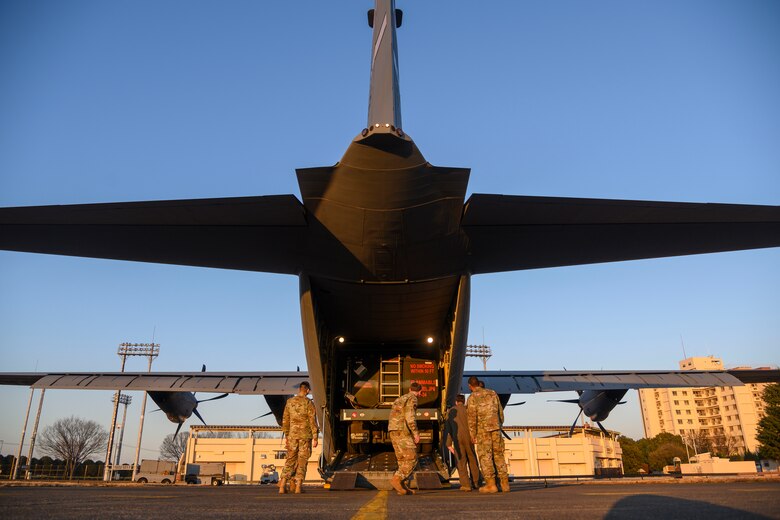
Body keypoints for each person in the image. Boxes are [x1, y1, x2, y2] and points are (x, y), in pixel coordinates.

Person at [467, 376, 509, 493]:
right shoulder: (492, 393)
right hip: (495, 429)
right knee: (499, 455)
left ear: (470, 386)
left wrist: (473, 434)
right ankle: (505, 484)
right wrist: (498, 425)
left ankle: (491, 485)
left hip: (482, 432)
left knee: (485, 457)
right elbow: (500, 412)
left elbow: (471, 418)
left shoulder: (472, 398)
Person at [279, 381, 319, 494]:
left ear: (299, 390)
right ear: (307, 391)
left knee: (290, 459)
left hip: (292, 435)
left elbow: (285, 420)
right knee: (302, 460)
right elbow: (312, 421)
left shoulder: (289, 402)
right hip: (305, 436)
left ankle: (282, 486)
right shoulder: (308, 403)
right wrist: (315, 436)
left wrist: (287, 435)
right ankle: (298, 487)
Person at [388, 381, 422, 495]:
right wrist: (416, 433)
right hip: (402, 430)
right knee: (412, 458)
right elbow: (410, 417)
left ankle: (402, 486)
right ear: (420, 392)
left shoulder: (400, 398)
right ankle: (397, 479)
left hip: (393, 430)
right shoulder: (413, 399)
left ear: (409, 389)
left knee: (402, 459)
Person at [444, 394, 481, 491]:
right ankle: (476, 483)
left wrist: (448, 444)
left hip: (457, 439)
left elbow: (449, 429)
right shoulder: (468, 410)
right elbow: (475, 423)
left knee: (461, 462)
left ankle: (465, 485)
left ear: (456, 402)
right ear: (464, 401)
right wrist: (475, 436)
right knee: (472, 460)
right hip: (469, 438)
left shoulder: (451, 411)